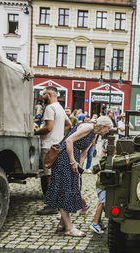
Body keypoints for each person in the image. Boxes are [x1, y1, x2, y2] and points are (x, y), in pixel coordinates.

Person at [45, 116, 113, 237]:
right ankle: (69, 228)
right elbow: (69, 141)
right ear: (102, 126)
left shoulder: (94, 134)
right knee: (64, 190)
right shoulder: (88, 127)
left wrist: (79, 171)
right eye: (108, 129)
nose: (108, 131)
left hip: (73, 159)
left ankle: (62, 224)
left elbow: (83, 154)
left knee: (71, 189)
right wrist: (72, 161)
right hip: (64, 158)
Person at [34, 86, 71, 215]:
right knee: (55, 176)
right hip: (58, 145)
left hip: (49, 146)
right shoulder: (60, 107)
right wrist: (60, 135)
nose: (42, 96)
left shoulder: (50, 108)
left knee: (49, 177)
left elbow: (48, 127)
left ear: (49, 95)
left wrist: (36, 131)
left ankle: (51, 205)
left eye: (43, 94)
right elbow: (69, 125)